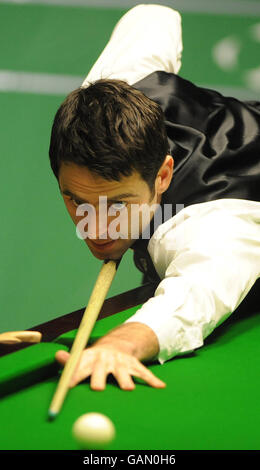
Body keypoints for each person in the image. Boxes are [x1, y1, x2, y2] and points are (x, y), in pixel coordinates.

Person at [48, 5, 260, 391]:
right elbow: (153, 16)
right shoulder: (119, 87)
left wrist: (124, 341)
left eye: (117, 204)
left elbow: (200, 291)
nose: (94, 229)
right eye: (78, 201)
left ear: (162, 175)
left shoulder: (209, 223)